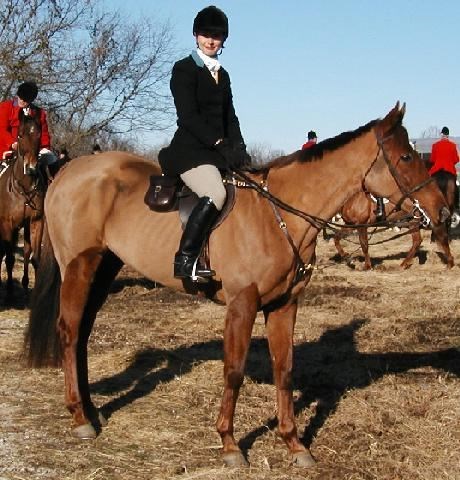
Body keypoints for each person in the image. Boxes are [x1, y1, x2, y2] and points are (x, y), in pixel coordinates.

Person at [158, 5, 250, 280]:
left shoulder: (223, 75)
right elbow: (188, 116)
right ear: (196, 35)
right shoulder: (184, 69)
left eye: (217, 36)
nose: (211, 40)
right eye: (206, 34)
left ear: (223, 40)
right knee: (217, 194)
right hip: (190, 151)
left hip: (218, 152)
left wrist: (240, 147)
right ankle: (185, 259)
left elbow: (229, 115)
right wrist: (220, 142)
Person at [0, 81, 57, 174]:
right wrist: (12, 143)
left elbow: (43, 133)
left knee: (51, 159)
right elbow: (1, 129)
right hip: (7, 149)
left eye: (26, 100)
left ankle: (53, 183)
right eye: (21, 98)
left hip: (31, 150)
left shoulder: (39, 113)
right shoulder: (5, 107)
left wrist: (45, 148)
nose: (22, 102)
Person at [429, 126, 459, 207]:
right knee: (455, 188)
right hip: (449, 170)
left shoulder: (435, 145)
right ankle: (456, 205)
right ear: (448, 135)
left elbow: (432, 160)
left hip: (436, 170)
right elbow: (456, 159)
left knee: (428, 187)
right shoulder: (453, 145)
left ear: (441, 134)